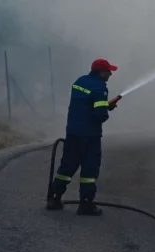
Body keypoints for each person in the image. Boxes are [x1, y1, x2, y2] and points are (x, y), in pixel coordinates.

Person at [46, 58, 119, 216]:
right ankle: (85, 205)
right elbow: (99, 115)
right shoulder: (100, 88)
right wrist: (108, 109)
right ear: (101, 73)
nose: (110, 75)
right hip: (90, 136)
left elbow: (86, 104)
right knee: (89, 170)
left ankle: (54, 198)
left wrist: (104, 105)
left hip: (73, 132)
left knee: (67, 167)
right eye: (108, 72)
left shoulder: (79, 81)